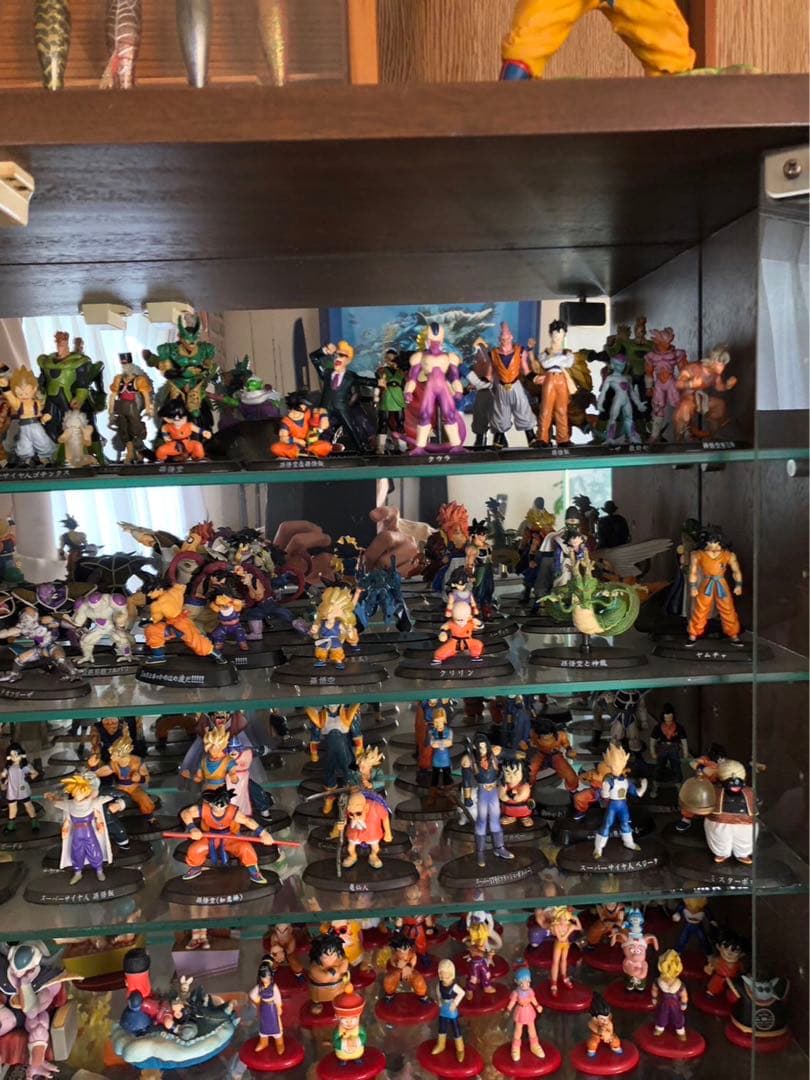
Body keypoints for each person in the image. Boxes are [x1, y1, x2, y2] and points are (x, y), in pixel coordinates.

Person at [534, 319, 574, 447]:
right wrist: (560, 359)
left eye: (560, 334)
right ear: (551, 334)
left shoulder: (568, 353)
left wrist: (554, 359)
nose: (557, 337)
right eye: (555, 334)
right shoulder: (544, 353)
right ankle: (542, 438)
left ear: (564, 335)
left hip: (562, 380)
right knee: (546, 409)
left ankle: (563, 439)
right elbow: (546, 364)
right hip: (549, 379)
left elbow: (569, 363)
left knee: (562, 410)